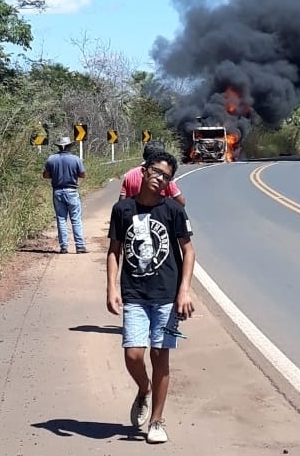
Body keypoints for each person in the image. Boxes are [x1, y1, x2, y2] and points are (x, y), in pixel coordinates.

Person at [106, 150, 195, 444]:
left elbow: (189, 251)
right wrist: (111, 288)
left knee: (160, 356)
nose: (160, 180)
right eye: (157, 172)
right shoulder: (123, 210)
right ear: (144, 171)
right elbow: (114, 251)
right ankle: (143, 389)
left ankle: (157, 420)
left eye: (167, 177)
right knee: (133, 354)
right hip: (134, 294)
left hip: (166, 297)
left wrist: (184, 291)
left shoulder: (173, 211)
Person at [42, 136, 87, 254]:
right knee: (76, 219)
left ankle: (64, 246)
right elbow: (82, 175)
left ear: (59, 147)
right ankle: (80, 246)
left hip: (57, 191)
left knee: (61, 219)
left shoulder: (51, 159)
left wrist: (56, 175)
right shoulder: (76, 159)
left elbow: (45, 175)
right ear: (70, 146)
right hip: (72, 191)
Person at [119, 142, 186, 206]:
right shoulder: (164, 178)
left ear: (144, 155)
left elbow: (122, 200)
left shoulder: (129, 175)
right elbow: (181, 202)